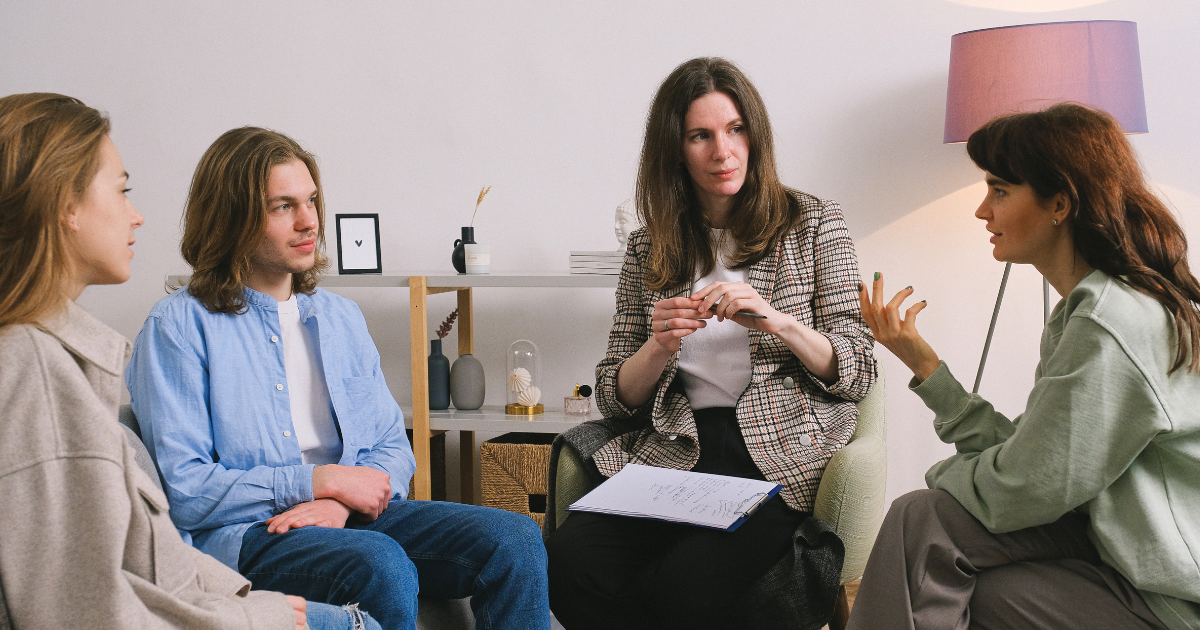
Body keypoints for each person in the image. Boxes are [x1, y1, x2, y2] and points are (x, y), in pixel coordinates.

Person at [125, 126, 550, 630]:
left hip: (346, 515)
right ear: (231, 217)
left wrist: (335, 503)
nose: (309, 222)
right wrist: (317, 481)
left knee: (516, 539)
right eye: (282, 206)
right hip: (250, 534)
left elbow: (394, 448)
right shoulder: (177, 326)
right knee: (378, 563)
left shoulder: (339, 318)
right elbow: (187, 489)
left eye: (311, 201)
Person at [0, 93, 384, 630]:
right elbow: (84, 605)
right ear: (65, 206)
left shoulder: (63, 361)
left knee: (508, 539)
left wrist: (245, 598)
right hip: (242, 541)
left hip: (228, 576)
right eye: (123, 189)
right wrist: (253, 613)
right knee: (367, 594)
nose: (136, 214)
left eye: (311, 201)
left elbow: (145, 559)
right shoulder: (37, 372)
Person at [545, 58, 877, 629]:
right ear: (676, 149)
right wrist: (657, 346)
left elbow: (858, 366)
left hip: (776, 453)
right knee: (569, 563)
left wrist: (778, 322)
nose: (722, 151)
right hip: (680, 448)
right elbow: (613, 396)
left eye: (735, 129)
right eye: (701, 136)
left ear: (755, 135)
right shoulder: (650, 246)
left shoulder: (816, 223)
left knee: (687, 587)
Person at [849, 103, 1200, 629]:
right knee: (967, 570)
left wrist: (945, 474)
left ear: (1059, 203)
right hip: (1117, 551)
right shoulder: (1088, 310)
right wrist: (925, 365)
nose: (982, 211)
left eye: (999, 191)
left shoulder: (1112, 323)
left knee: (930, 523)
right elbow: (1038, 462)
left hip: (1170, 598)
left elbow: (1029, 486)